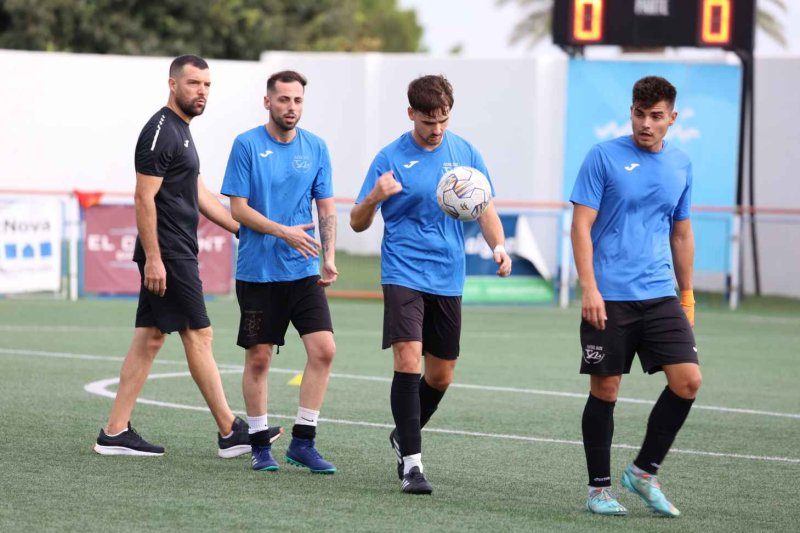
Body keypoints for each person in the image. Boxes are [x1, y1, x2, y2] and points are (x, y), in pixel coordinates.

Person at [93, 55, 282, 458]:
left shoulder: (182, 131)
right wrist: (156, 259)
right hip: (169, 253)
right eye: (194, 83)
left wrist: (240, 228)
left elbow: (197, 192)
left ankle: (114, 432)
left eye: (207, 85)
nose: (202, 92)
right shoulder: (161, 131)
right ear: (173, 84)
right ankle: (230, 430)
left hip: (175, 250)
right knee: (199, 334)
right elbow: (143, 197)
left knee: (150, 339)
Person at [350, 74, 512, 495]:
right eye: (427, 121)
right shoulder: (389, 157)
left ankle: (405, 431)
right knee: (408, 359)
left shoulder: (466, 153)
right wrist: (373, 198)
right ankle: (413, 465)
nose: (436, 129)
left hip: (447, 274)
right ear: (411, 115)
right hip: (403, 271)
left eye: (442, 120)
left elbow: (484, 207)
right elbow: (357, 220)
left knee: (441, 376)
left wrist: (499, 246)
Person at [570, 76, 701, 517]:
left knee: (688, 381)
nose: (646, 124)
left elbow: (681, 234)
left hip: (661, 293)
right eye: (639, 114)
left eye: (656, 116)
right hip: (609, 295)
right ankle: (598, 489)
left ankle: (644, 471)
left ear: (672, 118)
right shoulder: (603, 156)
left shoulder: (681, 164)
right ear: (631, 112)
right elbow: (581, 227)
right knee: (606, 389)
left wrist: (687, 297)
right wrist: (589, 287)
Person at [221, 70, 338, 474]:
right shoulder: (246, 145)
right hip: (258, 272)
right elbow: (237, 209)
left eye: (298, 100)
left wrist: (329, 256)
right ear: (267, 101)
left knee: (324, 350)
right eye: (284, 99)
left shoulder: (317, 147)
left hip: (303, 269)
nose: (291, 108)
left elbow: (325, 207)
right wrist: (283, 232)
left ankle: (303, 442)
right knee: (258, 359)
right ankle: (258, 445)